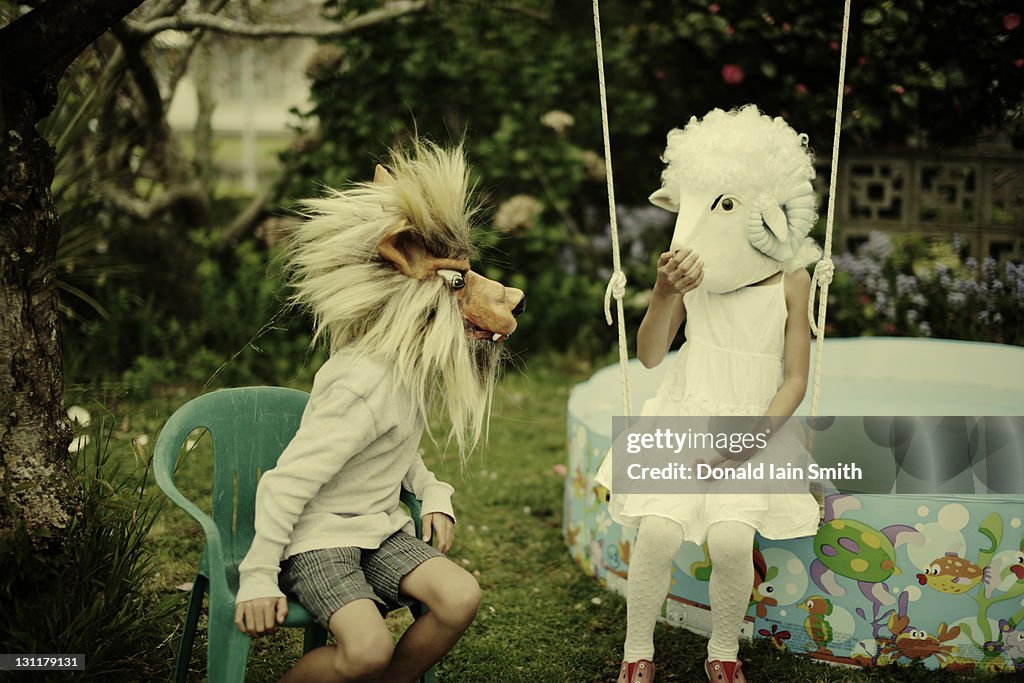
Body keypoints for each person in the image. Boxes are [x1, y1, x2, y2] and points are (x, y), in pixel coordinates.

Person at [233, 140, 525, 683]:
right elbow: (286, 483)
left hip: (381, 531)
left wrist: (434, 494)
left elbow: (396, 452)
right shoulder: (360, 383)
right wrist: (258, 576)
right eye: (455, 282)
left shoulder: (404, 370)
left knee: (460, 596)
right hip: (321, 541)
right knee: (365, 652)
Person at [597, 106, 823, 683]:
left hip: (752, 427)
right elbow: (650, 354)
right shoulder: (693, 279)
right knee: (657, 534)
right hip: (686, 412)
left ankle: (723, 651)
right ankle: (635, 654)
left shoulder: (794, 281)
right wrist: (663, 291)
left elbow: (794, 380)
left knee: (729, 541)